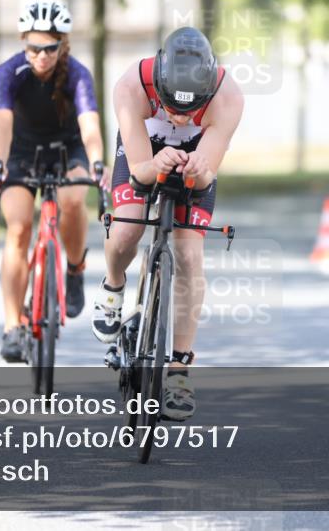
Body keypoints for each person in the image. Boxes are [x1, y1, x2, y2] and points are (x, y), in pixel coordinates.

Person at [91, 27, 244, 420]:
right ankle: (113, 285)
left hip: (196, 159)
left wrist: (197, 171)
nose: (177, 115)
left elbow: (205, 177)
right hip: (145, 153)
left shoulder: (229, 98)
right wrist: (153, 166)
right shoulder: (131, 85)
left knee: (190, 256)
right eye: (170, 106)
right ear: (158, 81)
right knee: (127, 227)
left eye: (188, 110)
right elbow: (140, 172)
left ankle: (178, 368)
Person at [0, 1, 109, 363]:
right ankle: (12, 327)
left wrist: (98, 161)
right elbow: (3, 124)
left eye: (50, 49)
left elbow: (89, 127)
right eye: (33, 48)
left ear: (63, 45)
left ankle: (74, 268)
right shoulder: (10, 72)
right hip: (22, 151)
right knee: (19, 228)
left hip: (67, 148)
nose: (41, 56)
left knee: (72, 201)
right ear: (24, 43)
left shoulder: (77, 74)